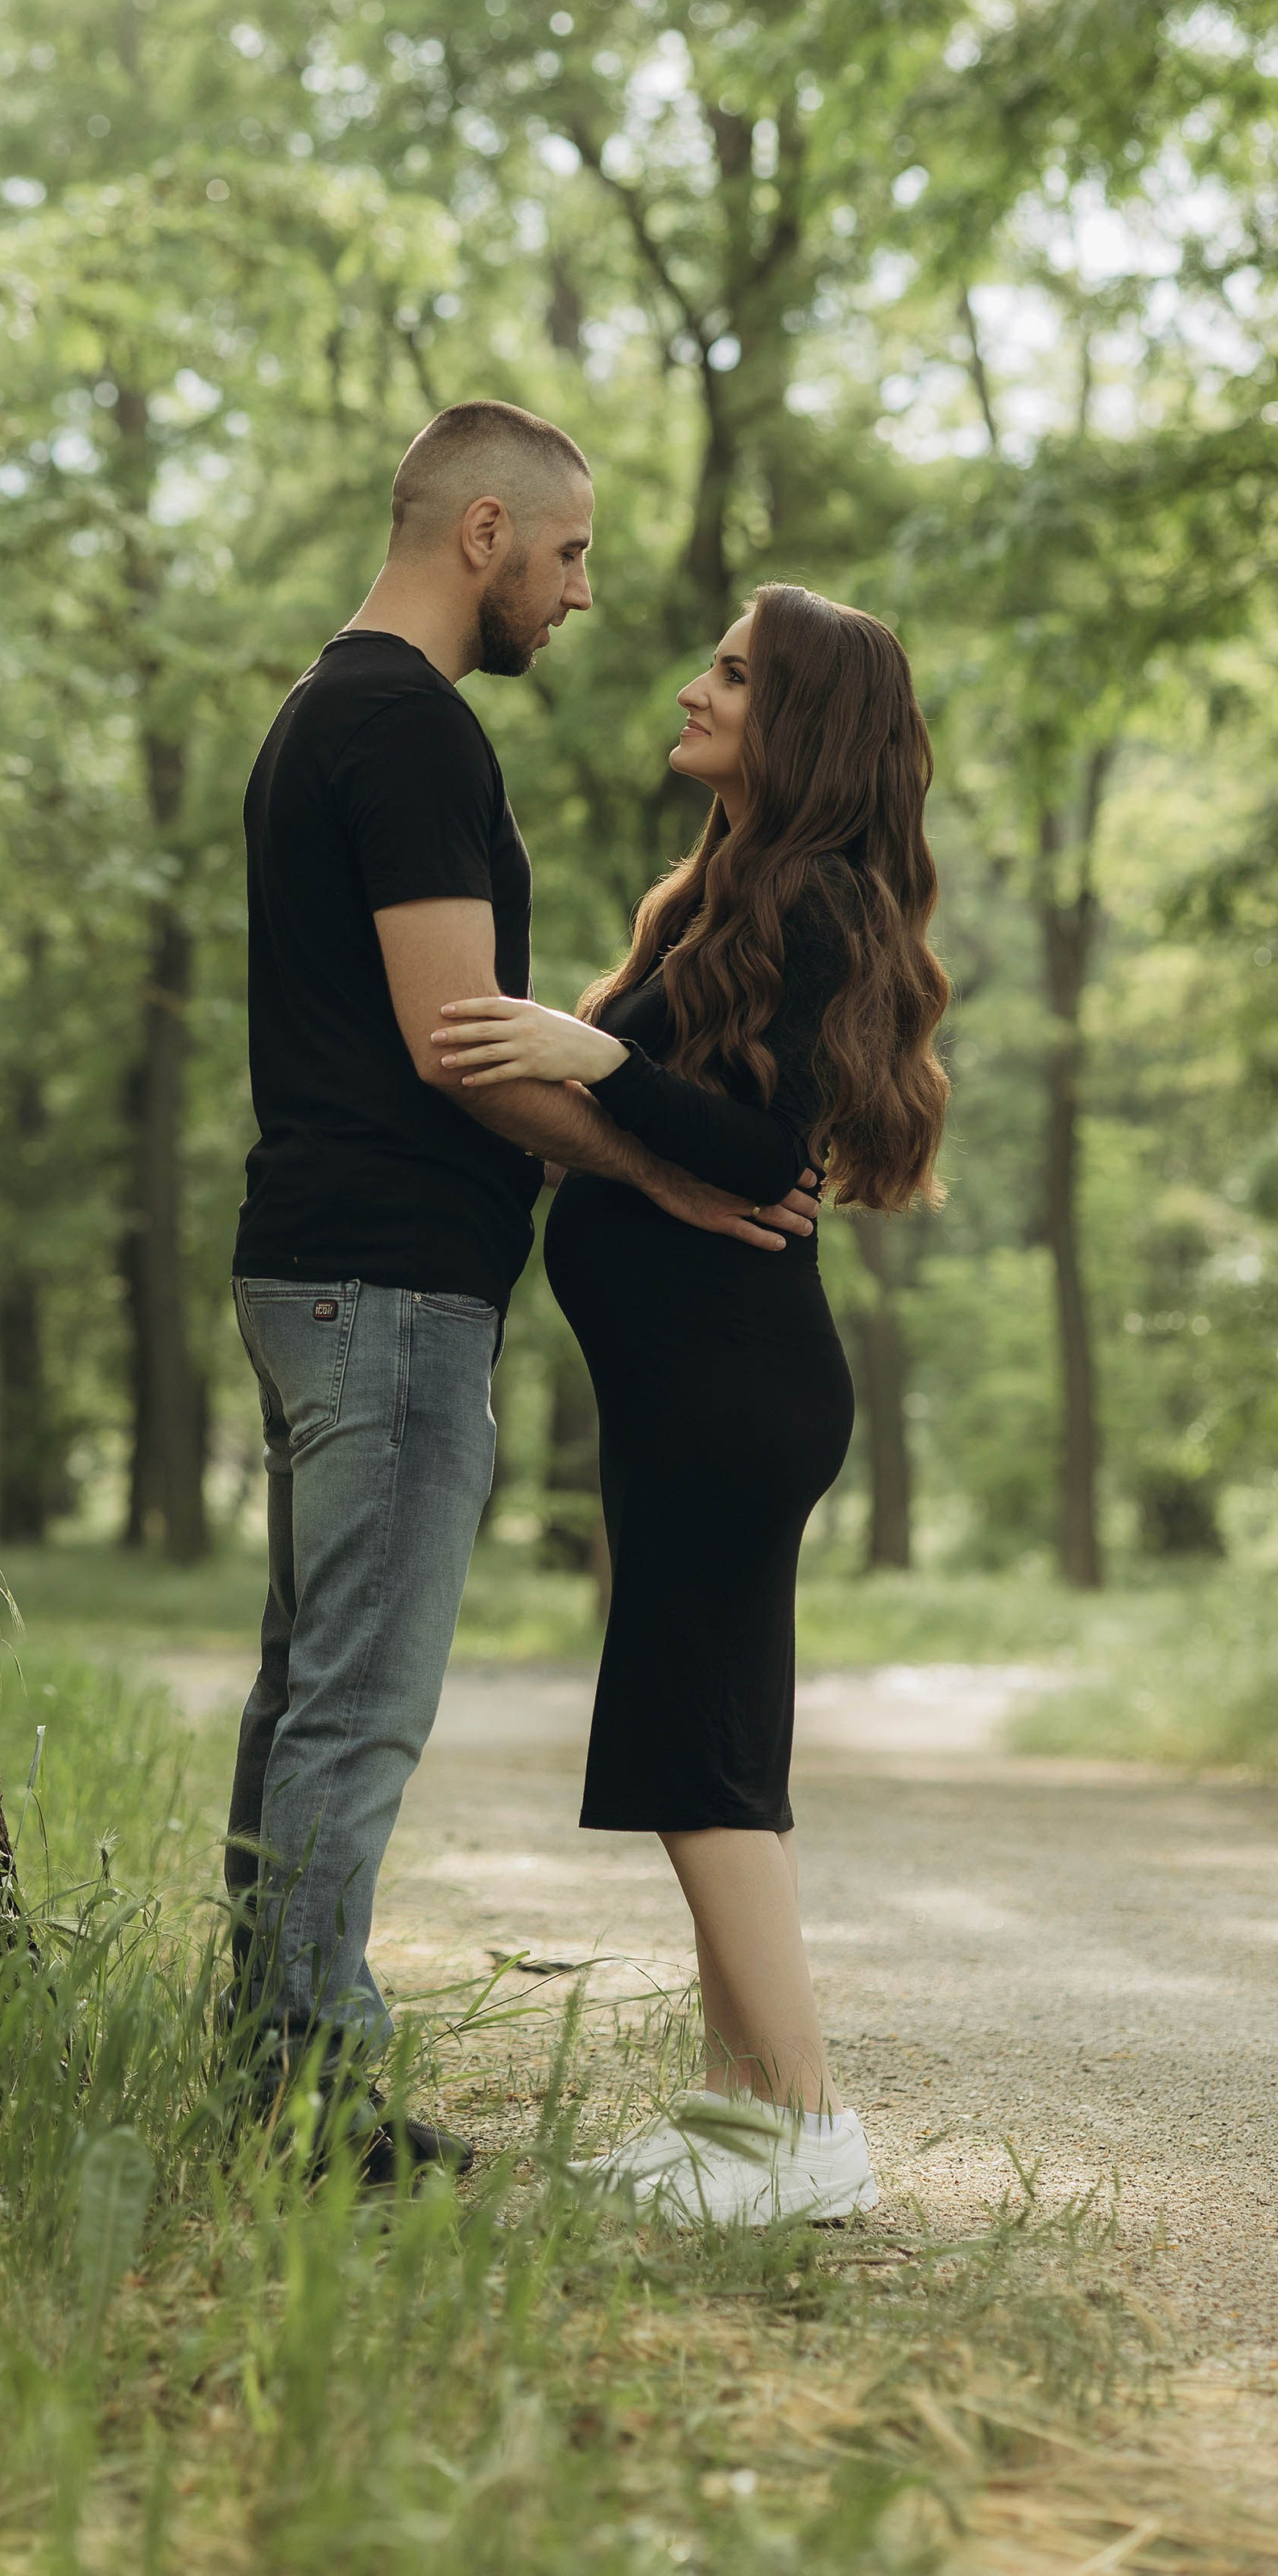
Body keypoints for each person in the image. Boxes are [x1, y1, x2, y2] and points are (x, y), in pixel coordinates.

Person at [226, 404, 821, 2180]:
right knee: (356, 1702)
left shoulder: (328, 713)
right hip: (384, 1282)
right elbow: (457, 1043)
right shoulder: (408, 732)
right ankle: (315, 2105)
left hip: (326, 1266)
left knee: (300, 1688)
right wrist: (657, 1163)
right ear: (482, 532)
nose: (578, 596)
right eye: (565, 555)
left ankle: (269, 2064)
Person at [436, 582, 950, 2224]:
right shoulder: (725, 896)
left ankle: (804, 2130)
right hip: (696, 1387)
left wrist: (583, 1061)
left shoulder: (811, 904)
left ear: (798, 722)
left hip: (731, 1389)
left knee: (697, 1757)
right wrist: (612, 1072)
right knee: (698, 1743)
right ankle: (736, 2119)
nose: (689, 686)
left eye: (730, 675)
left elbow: (760, 1153)